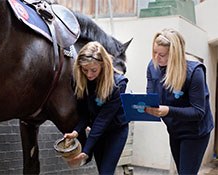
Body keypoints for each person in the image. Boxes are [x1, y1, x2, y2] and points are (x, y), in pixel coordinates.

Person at [145, 28, 214, 175]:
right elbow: (151, 97)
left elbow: (198, 112)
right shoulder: (153, 67)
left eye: (162, 55)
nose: (156, 58)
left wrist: (168, 110)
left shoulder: (195, 72)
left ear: (175, 54)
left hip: (195, 132)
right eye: (154, 52)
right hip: (174, 129)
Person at [64, 41, 129, 175]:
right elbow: (85, 114)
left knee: (106, 172)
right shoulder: (79, 80)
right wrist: (76, 131)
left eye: (93, 70)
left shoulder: (118, 84)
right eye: (85, 69)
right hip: (98, 130)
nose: (89, 74)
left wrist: (86, 151)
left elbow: (102, 120)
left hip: (116, 131)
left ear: (103, 65)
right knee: (102, 171)